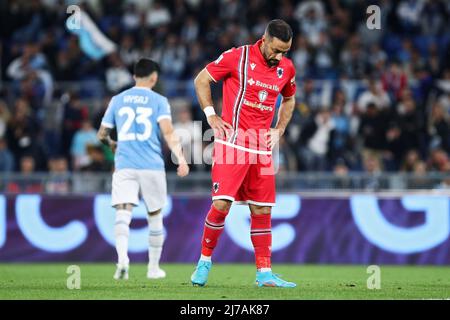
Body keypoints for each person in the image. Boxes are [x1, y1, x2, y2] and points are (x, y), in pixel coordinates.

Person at [191, 19, 297, 287]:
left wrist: (279, 129)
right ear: (264, 39)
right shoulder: (237, 56)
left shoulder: (286, 68)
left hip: (262, 147)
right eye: (275, 50)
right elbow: (202, 79)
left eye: (285, 51)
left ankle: (264, 273)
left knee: (262, 209)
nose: (279, 56)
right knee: (221, 204)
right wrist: (211, 115)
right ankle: (204, 262)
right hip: (232, 143)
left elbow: (289, 98)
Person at [97, 58, 189, 280]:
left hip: (125, 164)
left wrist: (111, 144)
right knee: (155, 216)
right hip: (151, 166)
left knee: (123, 211)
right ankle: (153, 268)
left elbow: (101, 134)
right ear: (154, 77)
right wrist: (181, 158)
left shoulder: (117, 100)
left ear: (134, 76)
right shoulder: (159, 100)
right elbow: (167, 131)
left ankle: (122, 261)